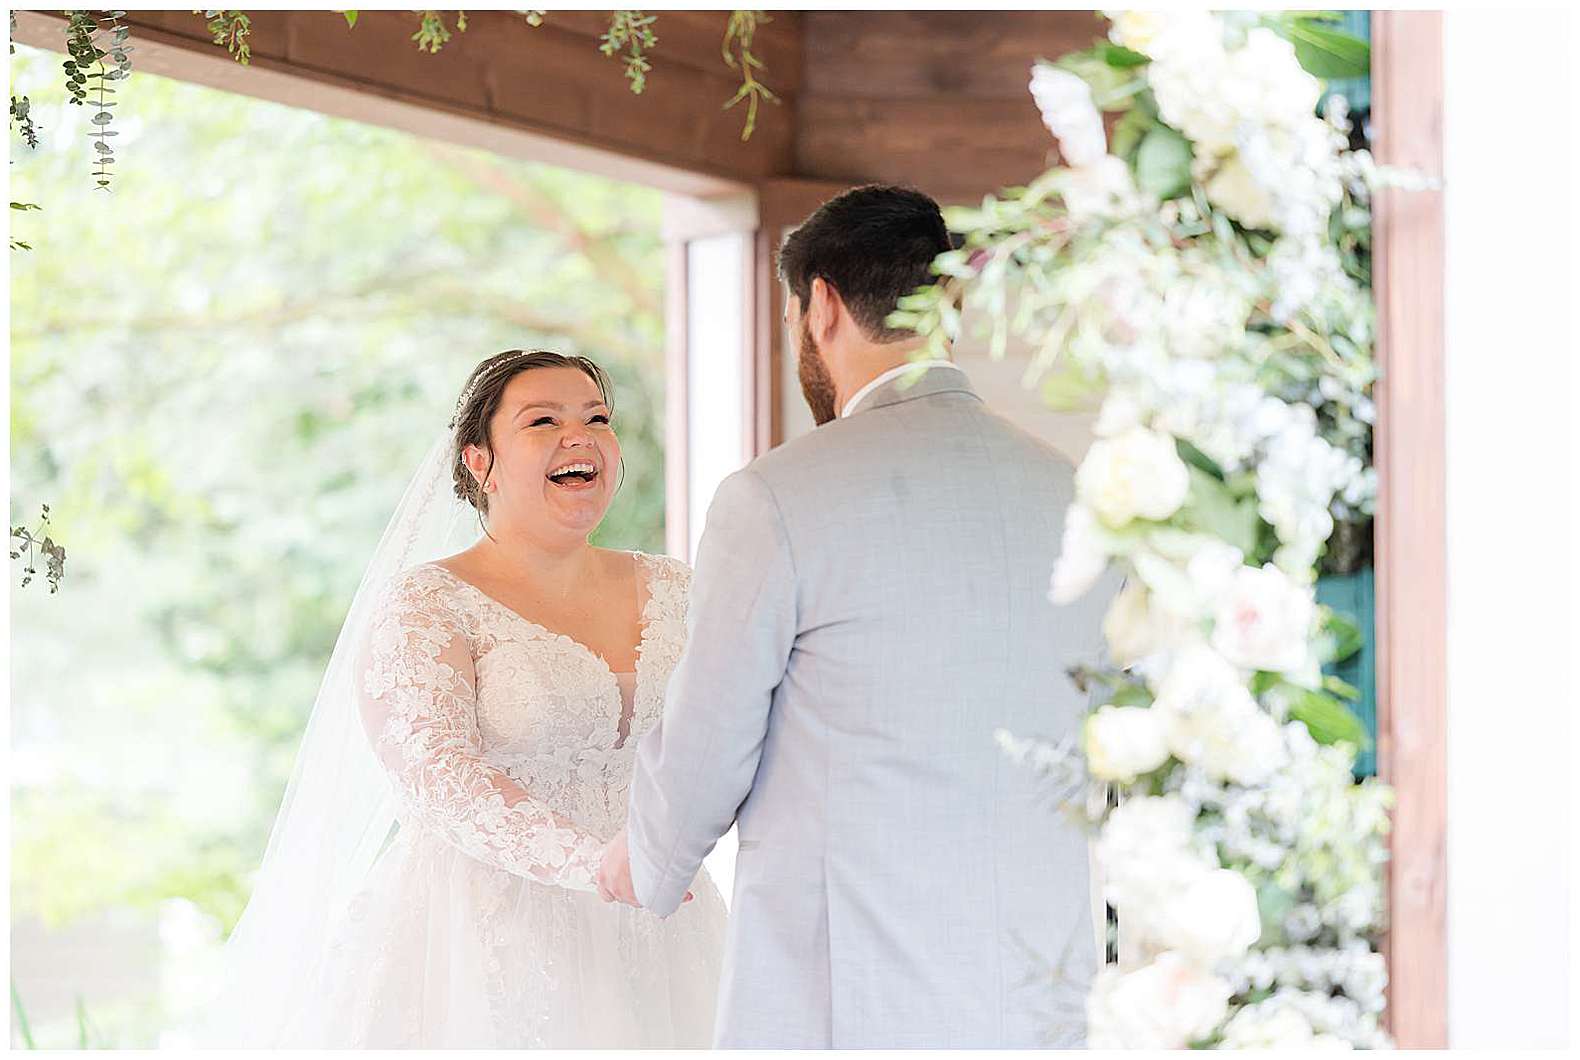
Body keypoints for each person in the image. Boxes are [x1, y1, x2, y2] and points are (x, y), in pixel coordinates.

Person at [599, 185, 1114, 1048]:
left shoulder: (775, 498)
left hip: (857, 985)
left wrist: (646, 860)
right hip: (1045, 984)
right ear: (948, 302)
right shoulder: (1074, 492)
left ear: (822, 305)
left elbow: (710, 739)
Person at [200, 350, 725, 1048]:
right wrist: (590, 863)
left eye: (597, 418)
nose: (581, 436)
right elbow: (438, 776)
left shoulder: (675, 588)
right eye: (544, 420)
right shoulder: (429, 603)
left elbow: (726, 731)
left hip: (662, 923)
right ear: (479, 461)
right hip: (482, 935)